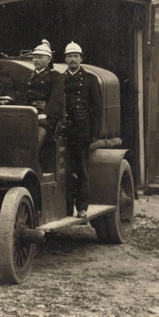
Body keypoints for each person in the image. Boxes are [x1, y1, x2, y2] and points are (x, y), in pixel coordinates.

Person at [62, 41, 101, 219]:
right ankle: (66, 208)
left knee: (82, 170)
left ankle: (82, 207)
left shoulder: (90, 79)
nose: (73, 59)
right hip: (65, 130)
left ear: (81, 59)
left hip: (82, 130)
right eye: (69, 56)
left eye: (76, 56)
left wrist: (94, 133)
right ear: (65, 59)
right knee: (66, 170)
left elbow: (97, 108)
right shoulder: (61, 79)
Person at [21, 39, 64, 149]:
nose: (36, 60)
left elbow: (56, 99)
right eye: (34, 57)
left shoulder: (56, 77)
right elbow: (23, 97)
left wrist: (45, 114)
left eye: (40, 57)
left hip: (47, 116)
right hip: (29, 113)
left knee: (39, 136)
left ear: (49, 59)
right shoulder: (27, 77)